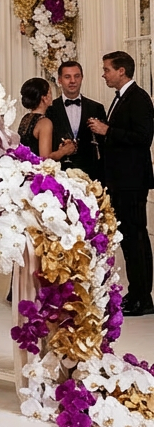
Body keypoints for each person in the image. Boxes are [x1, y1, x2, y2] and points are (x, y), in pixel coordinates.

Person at [90, 51, 154, 317]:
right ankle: (137, 294)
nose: (104, 74)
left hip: (132, 181)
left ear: (121, 71)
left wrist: (108, 131)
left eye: (107, 69)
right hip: (121, 180)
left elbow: (143, 138)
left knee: (136, 238)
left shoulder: (138, 98)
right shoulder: (120, 98)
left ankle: (143, 297)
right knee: (129, 238)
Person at [46, 60, 105, 180]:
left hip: (90, 174)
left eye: (76, 76)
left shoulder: (96, 108)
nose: (73, 81)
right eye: (67, 77)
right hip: (59, 174)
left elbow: (104, 144)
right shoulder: (50, 109)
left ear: (82, 78)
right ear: (59, 80)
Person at [16, 77, 78, 161]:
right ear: (44, 98)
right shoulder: (44, 122)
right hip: (38, 171)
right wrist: (64, 151)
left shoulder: (26, 118)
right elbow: (45, 159)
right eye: (50, 92)